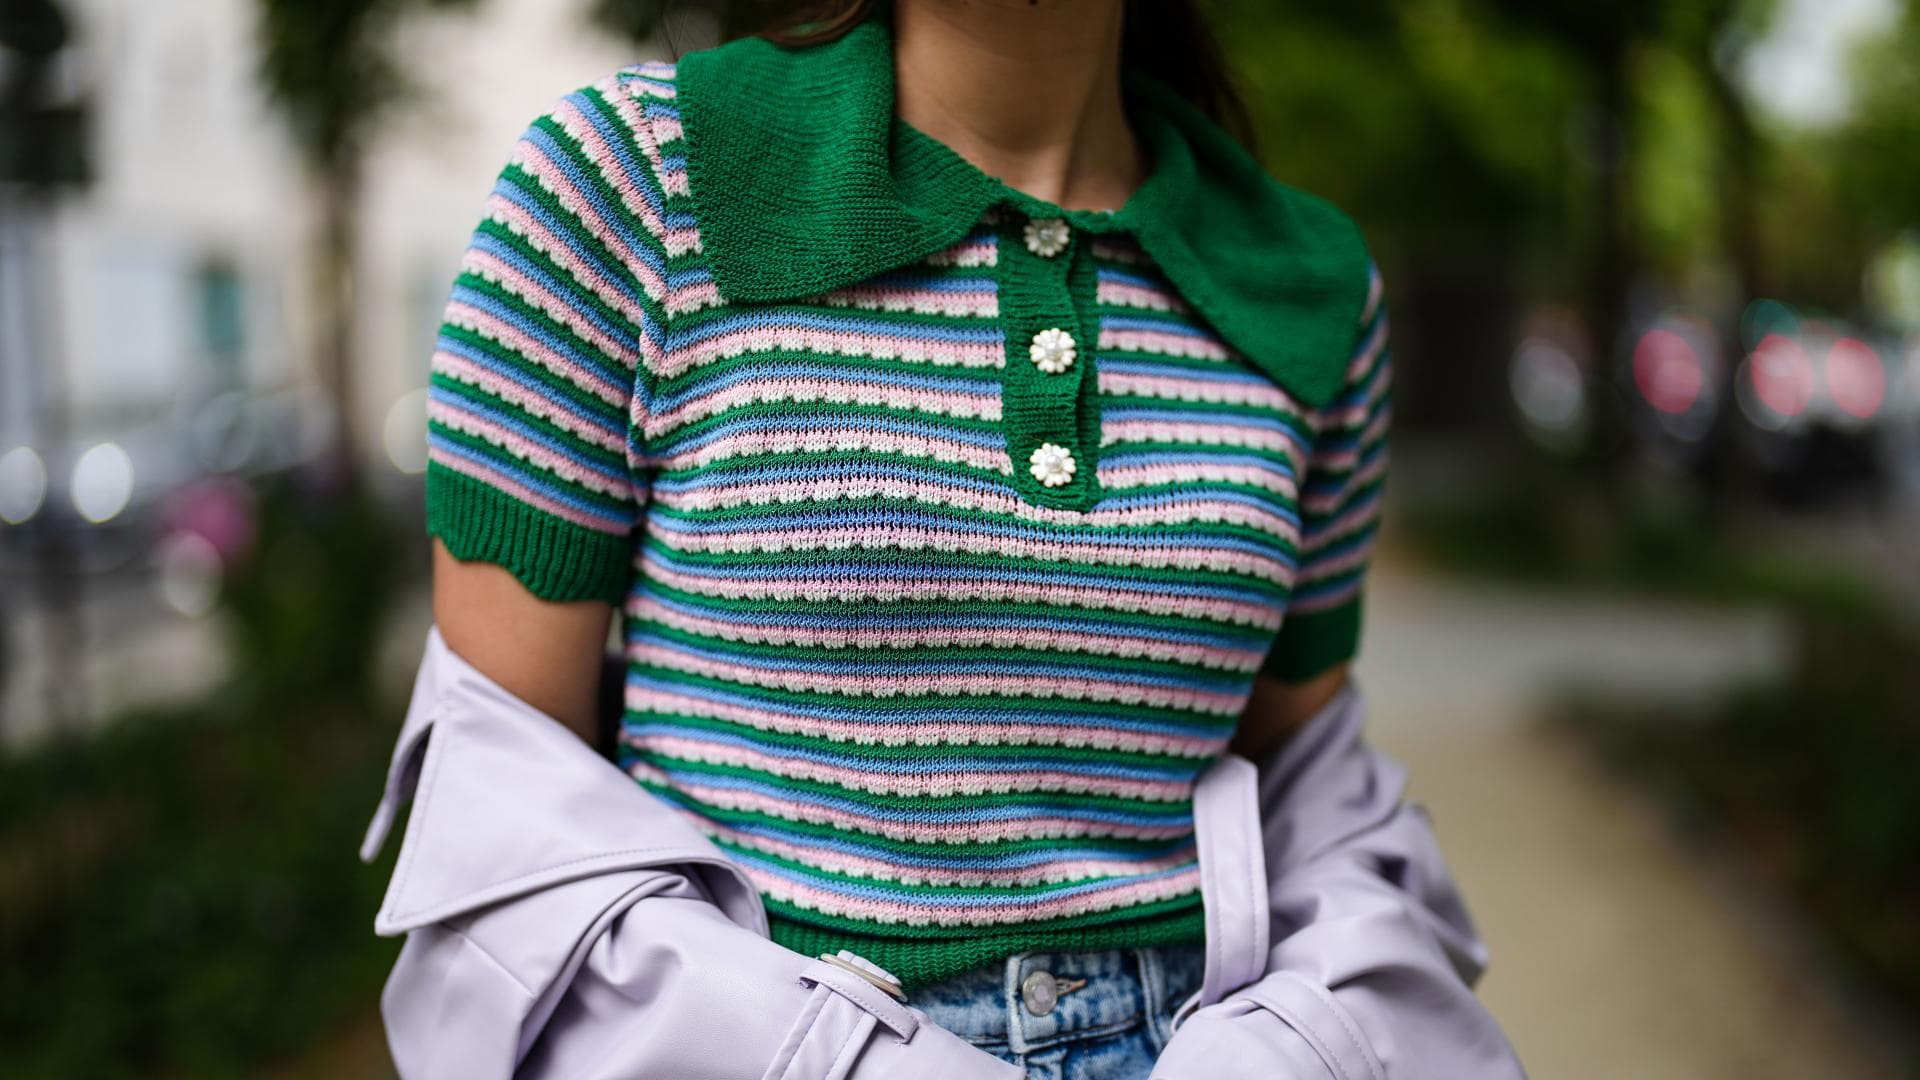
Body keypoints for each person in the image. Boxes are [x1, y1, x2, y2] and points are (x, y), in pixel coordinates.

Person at [360, 2, 1526, 1077]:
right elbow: (508, 834)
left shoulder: (1309, 290)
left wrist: (1289, 1051)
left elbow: (1316, 797)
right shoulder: (629, 190)